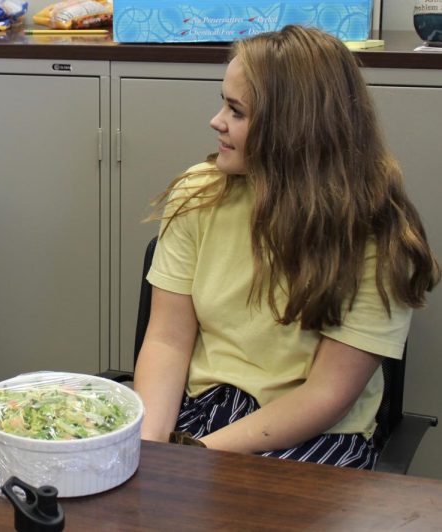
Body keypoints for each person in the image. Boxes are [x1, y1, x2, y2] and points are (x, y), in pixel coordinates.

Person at [134, 25, 440, 468]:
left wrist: (194, 458)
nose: (216, 121)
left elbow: (326, 397)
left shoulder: (378, 233)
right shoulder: (198, 193)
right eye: (224, 102)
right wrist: (150, 448)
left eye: (236, 112)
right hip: (201, 410)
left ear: (291, 131)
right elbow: (167, 341)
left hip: (310, 430)